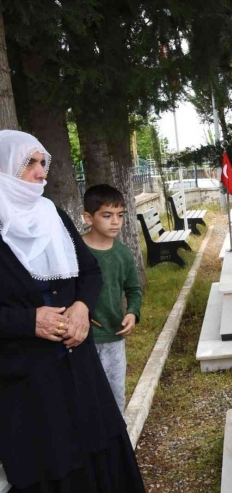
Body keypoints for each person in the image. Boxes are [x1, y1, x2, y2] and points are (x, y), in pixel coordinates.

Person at [0, 130, 146, 492]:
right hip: (24, 376)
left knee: (97, 448)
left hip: (78, 364)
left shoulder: (53, 214)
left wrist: (82, 307)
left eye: (43, 163)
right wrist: (28, 320)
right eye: (29, 163)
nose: (40, 173)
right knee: (51, 460)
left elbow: (90, 271)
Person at [82, 184, 143, 415]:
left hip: (113, 337)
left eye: (120, 215)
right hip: (80, 339)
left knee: (115, 393)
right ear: (89, 217)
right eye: (107, 215)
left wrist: (132, 313)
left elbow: (134, 289)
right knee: (85, 395)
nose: (115, 222)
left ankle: (118, 442)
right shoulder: (74, 250)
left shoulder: (123, 254)